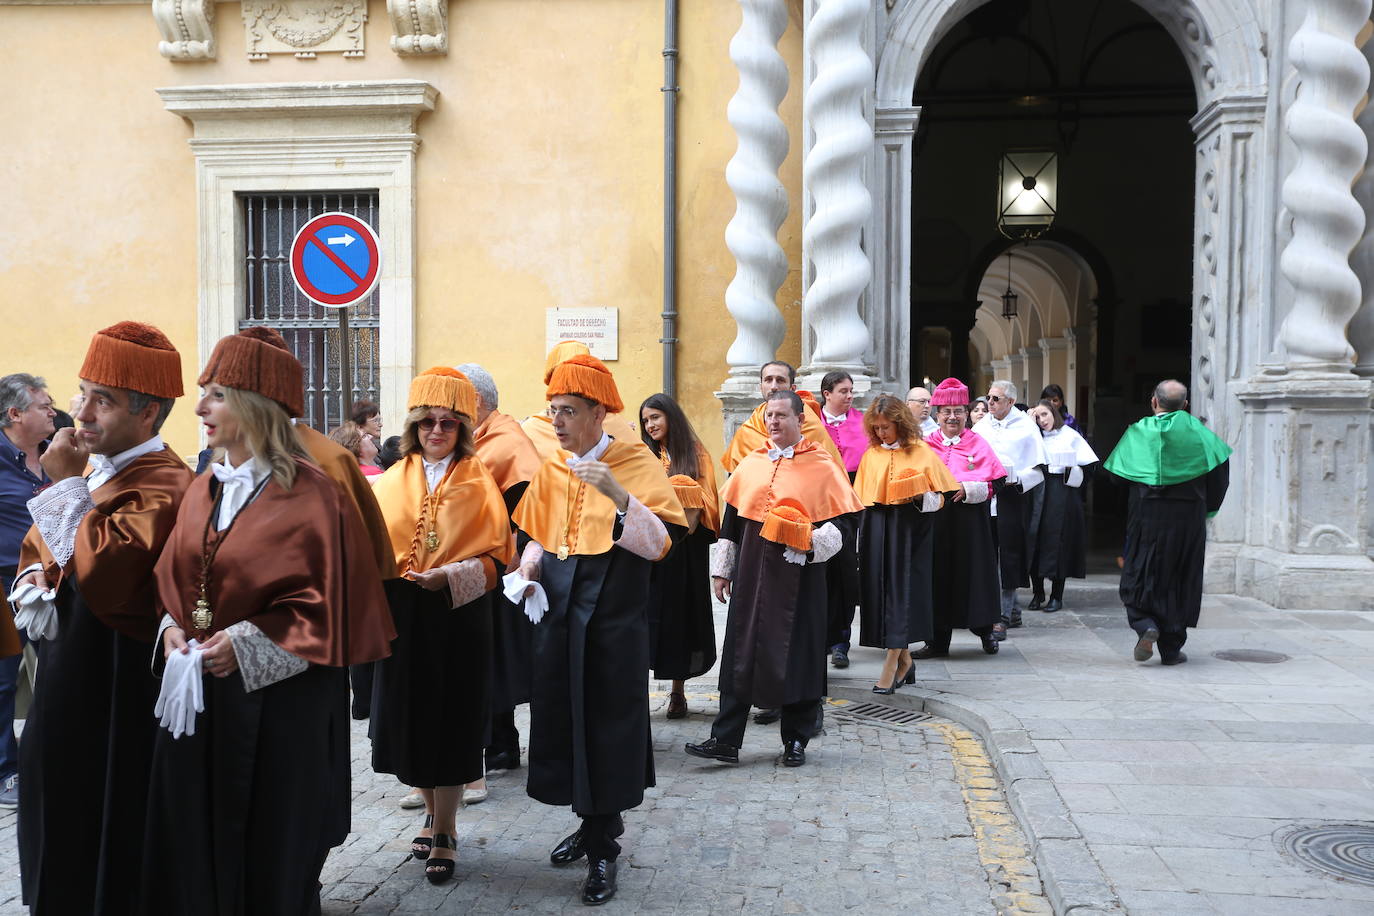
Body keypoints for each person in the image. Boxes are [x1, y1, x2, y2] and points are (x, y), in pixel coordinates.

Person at [143, 326, 394, 915]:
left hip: (281, 714)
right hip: (203, 704)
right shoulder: (204, 485)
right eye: (205, 392)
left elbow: (338, 604)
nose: (201, 407)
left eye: (219, 394)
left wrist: (250, 643)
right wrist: (171, 627)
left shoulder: (312, 495)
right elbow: (173, 578)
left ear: (258, 404)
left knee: (269, 853)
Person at [10, 324, 190, 914]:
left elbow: (107, 569)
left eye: (102, 400)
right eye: (80, 392)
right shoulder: (101, 469)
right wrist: (32, 575)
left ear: (150, 412)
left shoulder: (166, 483)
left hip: (118, 688)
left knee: (101, 820)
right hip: (71, 676)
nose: (79, 412)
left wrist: (61, 483)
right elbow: (45, 545)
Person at [511, 354, 686, 906]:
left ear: (597, 415)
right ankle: (588, 825)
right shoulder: (556, 463)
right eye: (553, 410)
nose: (556, 422)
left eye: (567, 411)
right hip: (560, 614)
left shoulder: (632, 461)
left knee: (608, 727)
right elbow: (538, 533)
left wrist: (617, 493)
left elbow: (660, 544)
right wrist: (530, 566)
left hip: (613, 623)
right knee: (565, 719)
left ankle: (605, 847)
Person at [370, 367, 514, 883]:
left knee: (451, 722)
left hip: (458, 617)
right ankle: (430, 814)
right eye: (428, 422)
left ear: (463, 430)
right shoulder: (391, 480)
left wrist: (450, 576)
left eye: (449, 424)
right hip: (404, 617)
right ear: (413, 426)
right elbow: (373, 544)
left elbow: (500, 561)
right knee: (410, 719)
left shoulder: (479, 482)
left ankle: (447, 830)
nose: (437, 431)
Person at [685, 389, 863, 767]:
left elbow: (846, 521)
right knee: (740, 651)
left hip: (801, 578)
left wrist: (811, 544)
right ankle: (725, 739)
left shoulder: (823, 465)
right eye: (769, 416)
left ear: (801, 420)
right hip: (752, 574)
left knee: (799, 653)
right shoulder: (751, 462)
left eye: (782, 415)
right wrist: (722, 569)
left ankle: (795, 739)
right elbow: (732, 519)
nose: (774, 422)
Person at [457, 361, 542, 795]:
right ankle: (500, 745)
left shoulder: (506, 439)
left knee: (493, 657)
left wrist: (513, 557)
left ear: (475, 402)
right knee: (489, 658)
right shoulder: (478, 438)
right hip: (478, 563)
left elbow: (527, 502)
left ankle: (499, 745)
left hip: (500, 566)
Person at [1104, 380, 1230, 665]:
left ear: (1153, 402)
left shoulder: (1138, 433)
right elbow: (1220, 477)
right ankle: (1172, 648)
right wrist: (1206, 510)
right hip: (1188, 518)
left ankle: (1145, 623)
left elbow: (1115, 477)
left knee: (1140, 570)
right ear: (1186, 405)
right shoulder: (1201, 435)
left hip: (1146, 516)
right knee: (1180, 576)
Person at [853, 395, 958, 692]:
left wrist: (915, 494)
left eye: (886, 427)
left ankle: (891, 664)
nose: (881, 433)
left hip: (910, 531)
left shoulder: (922, 452)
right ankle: (905, 661)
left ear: (900, 423)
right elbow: (862, 497)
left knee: (903, 594)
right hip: (876, 529)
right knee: (882, 594)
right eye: (876, 428)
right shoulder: (871, 455)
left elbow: (941, 499)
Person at [640, 393, 719, 718]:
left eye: (655, 417)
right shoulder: (643, 455)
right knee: (645, 621)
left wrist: (676, 534)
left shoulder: (696, 455)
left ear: (670, 416)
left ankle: (677, 692)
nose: (650, 425)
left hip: (685, 553)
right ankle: (637, 693)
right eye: (646, 420)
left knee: (680, 621)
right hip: (649, 551)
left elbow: (706, 502)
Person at [919, 378, 1007, 658]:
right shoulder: (925, 444)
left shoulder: (977, 443)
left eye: (958, 411)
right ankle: (937, 641)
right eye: (946, 411)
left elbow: (997, 482)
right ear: (937, 415)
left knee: (975, 578)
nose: (952, 417)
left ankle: (986, 634)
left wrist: (970, 488)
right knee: (937, 579)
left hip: (970, 525)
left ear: (966, 413)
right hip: (936, 524)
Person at [0, 372, 55, 811]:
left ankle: (50, 761)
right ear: (15, 414)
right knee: (3, 680)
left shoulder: (60, 455)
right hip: (3, 583)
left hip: (54, 582)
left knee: (56, 673)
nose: (53, 411)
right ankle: (6, 770)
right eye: (43, 406)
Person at [973, 380, 1047, 635]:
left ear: (1011, 402)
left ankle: (1001, 616)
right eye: (989, 398)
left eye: (996, 399)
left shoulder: (1026, 427)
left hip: (1013, 497)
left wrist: (1017, 480)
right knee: (989, 555)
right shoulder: (982, 426)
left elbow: (1038, 467)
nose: (990, 403)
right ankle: (1011, 610)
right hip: (985, 496)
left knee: (1009, 556)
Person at [1027, 400, 1098, 612]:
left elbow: (1090, 466)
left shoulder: (1069, 435)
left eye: (1045, 414)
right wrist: (1030, 427)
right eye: (1037, 416)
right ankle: (1037, 592)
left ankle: (1057, 595)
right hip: (1037, 488)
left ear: (1054, 413)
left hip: (1062, 491)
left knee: (1060, 542)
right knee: (1034, 538)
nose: (1042, 420)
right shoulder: (1033, 437)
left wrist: (1071, 469)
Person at [816, 370, 864, 670]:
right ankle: (818, 637)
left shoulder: (862, 424)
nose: (849, 396)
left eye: (851, 391)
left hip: (849, 507)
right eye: (843, 391)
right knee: (819, 575)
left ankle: (841, 641)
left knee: (846, 574)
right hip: (817, 503)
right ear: (827, 394)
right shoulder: (809, 422)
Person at [522, 341, 640, 460]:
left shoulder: (612, 421)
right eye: (562, 376)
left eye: (578, 376)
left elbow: (639, 463)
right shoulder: (532, 428)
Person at [719, 360, 843, 472]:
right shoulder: (749, 429)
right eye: (768, 380)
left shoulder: (810, 426)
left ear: (792, 388)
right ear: (761, 386)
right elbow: (736, 479)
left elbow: (830, 475)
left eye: (780, 380)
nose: (774, 387)